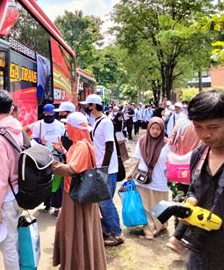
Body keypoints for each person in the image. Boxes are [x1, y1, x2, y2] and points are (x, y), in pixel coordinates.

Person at [167, 91, 224, 269]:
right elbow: (196, 189)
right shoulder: (199, 153)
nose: (205, 135)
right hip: (200, 249)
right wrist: (192, 198)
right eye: (198, 127)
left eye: (213, 127)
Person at [52, 112, 107, 270]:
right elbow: (76, 162)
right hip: (81, 195)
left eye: (67, 125)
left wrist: (50, 165)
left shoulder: (81, 146)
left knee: (74, 231)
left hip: (76, 197)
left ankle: (77, 264)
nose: (65, 128)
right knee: (81, 231)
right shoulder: (81, 144)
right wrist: (63, 151)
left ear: (75, 128)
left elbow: (72, 169)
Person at [81, 94, 124, 246]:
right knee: (104, 202)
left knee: (105, 203)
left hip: (107, 170)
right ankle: (108, 230)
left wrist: (103, 169)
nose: (86, 107)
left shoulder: (106, 123)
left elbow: (109, 146)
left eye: (88, 105)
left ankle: (117, 234)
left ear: (94, 105)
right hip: (100, 167)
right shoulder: (97, 121)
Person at [0, 90, 24, 270]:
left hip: (8, 198)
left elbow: (1, 178)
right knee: (16, 237)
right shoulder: (19, 130)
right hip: (22, 193)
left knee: (8, 243)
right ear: (11, 109)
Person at [129, 117, 170, 239]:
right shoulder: (142, 141)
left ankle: (158, 225)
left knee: (159, 205)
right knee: (144, 205)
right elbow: (136, 158)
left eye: (158, 129)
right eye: (153, 128)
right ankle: (148, 227)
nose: (155, 131)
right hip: (143, 178)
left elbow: (170, 161)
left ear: (162, 130)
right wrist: (131, 172)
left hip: (160, 179)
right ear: (149, 128)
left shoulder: (167, 143)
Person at [30, 103, 66, 214]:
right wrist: (41, 141)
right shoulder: (37, 125)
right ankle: (47, 204)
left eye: (50, 114)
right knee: (45, 180)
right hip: (43, 156)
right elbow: (34, 140)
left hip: (57, 156)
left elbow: (64, 140)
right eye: (46, 114)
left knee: (57, 182)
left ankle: (57, 207)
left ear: (54, 113)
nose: (48, 116)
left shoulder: (60, 125)